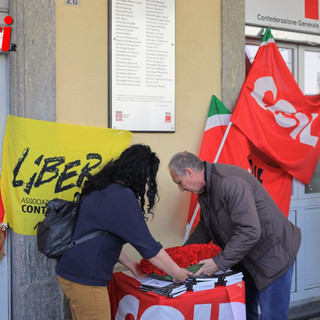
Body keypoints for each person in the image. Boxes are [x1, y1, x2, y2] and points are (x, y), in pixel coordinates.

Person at [56, 144, 191, 320]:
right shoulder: (121, 197)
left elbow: (101, 237)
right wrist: (178, 273)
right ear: (141, 174)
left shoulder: (102, 188)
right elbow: (149, 248)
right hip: (86, 279)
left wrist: (131, 265)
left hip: (70, 272)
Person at [168, 151, 301, 320]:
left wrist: (219, 262)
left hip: (274, 255)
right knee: (244, 311)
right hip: (247, 256)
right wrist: (181, 258)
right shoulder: (205, 188)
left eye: (179, 182)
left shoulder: (229, 182)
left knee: (272, 315)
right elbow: (205, 227)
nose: (181, 189)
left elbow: (250, 230)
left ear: (189, 172)